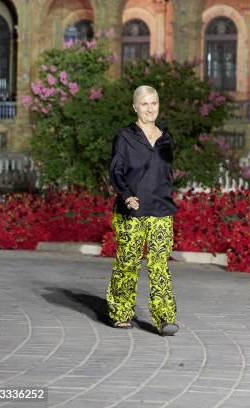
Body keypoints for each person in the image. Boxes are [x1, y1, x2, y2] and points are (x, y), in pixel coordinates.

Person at [106, 85, 179, 336]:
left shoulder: (166, 138)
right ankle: (121, 312)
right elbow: (116, 170)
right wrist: (126, 195)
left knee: (160, 264)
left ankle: (164, 318)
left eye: (154, 103)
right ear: (135, 106)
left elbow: (166, 172)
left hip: (160, 209)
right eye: (145, 104)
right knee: (128, 262)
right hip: (132, 209)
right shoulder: (124, 136)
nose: (150, 108)